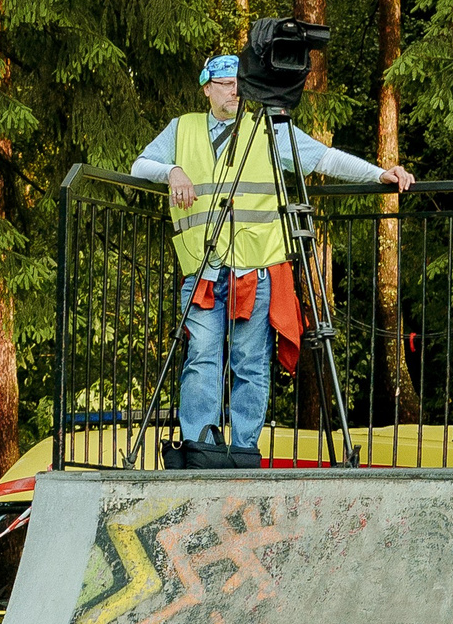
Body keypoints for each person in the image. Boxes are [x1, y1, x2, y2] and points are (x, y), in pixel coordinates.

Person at [127, 53, 417, 468]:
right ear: (207, 87)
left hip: (256, 269)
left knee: (250, 364)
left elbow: (324, 158)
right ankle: (199, 450)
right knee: (202, 360)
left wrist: (378, 174)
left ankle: (244, 451)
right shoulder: (182, 129)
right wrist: (172, 170)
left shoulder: (267, 129)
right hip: (204, 270)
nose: (234, 90)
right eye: (225, 83)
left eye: (238, 83)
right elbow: (140, 165)